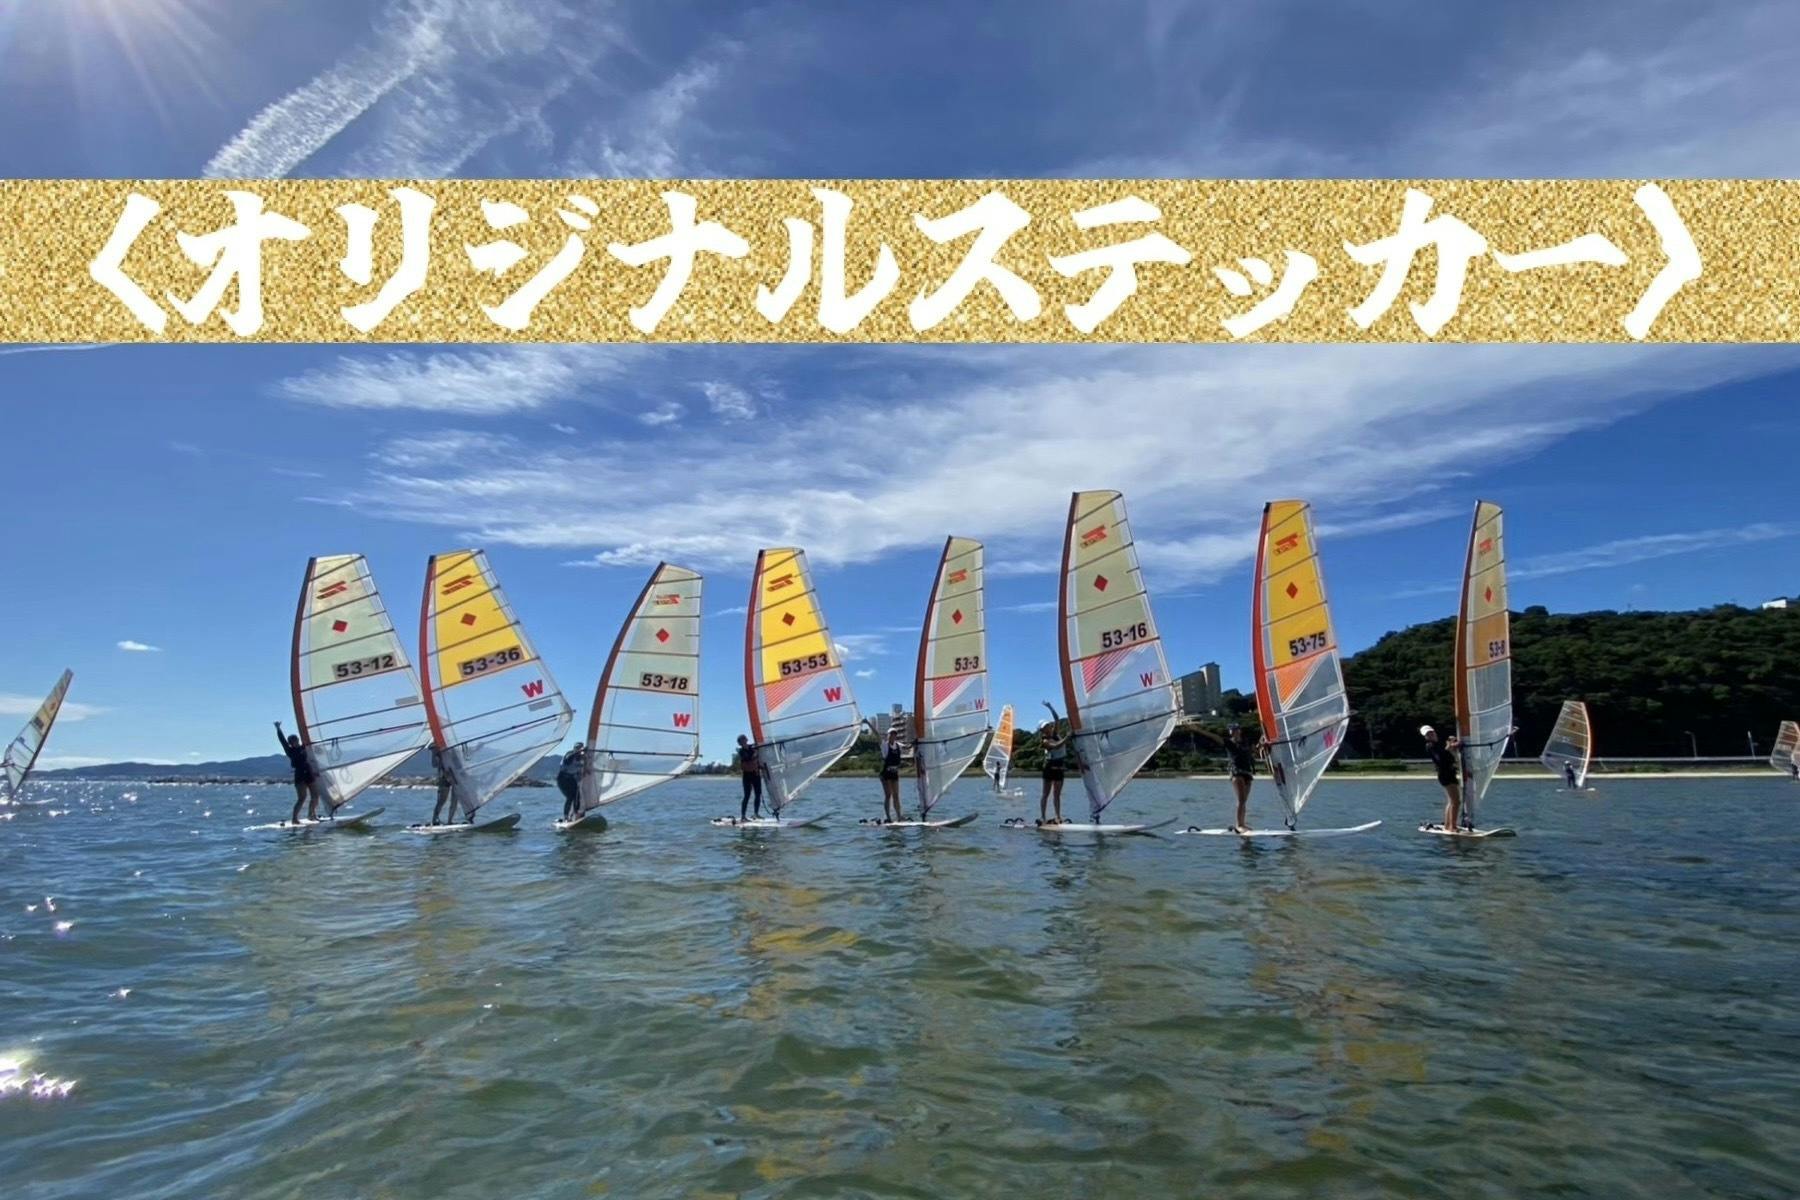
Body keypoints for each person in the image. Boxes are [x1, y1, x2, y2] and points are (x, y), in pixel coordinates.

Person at [1195, 724, 1261, 831]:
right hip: (1236, 772)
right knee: (1241, 800)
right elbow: (1213, 736)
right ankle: (1239, 825)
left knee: (1244, 801)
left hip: (1247, 773)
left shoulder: (1246, 743)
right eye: (1231, 730)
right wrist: (1198, 729)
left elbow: (1257, 751)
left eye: (1235, 729)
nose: (1232, 731)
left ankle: (1242, 824)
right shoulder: (1229, 743)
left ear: (1239, 731)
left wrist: (1262, 746)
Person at [275, 720, 322, 824]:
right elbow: (282, 741)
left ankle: (311, 815)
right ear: (291, 743)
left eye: (296, 740)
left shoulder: (303, 747)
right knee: (302, 798)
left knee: (315, 795)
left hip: (308, 773)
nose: (296, 742)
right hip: (300, 775)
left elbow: (310, 741)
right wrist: (278, 729)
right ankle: (294, 819)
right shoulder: (289, 751)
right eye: (294, 742)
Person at [1422, 725, 1462, 830]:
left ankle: (1448, 825)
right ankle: (1452, 827)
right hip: (1445, 774)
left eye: (1431, 732)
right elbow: (1441, 758)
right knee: (1456, 801)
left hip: (1449, 773)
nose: (1431, 735)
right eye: (1428, 734)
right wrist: (1450, 747)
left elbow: (1447, 750)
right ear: (1426, 737)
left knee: (1451, 801)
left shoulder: (1439, 743)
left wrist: (1451, 744)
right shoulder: (1430, 746)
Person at [1039, 708, 1070, 825]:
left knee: (1057, 794)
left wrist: (1050, 707)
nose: (1048, 727)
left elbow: (1057, 719)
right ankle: (1043, 817)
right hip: (1049, 767)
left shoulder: (1055, 734)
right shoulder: (1044, 741)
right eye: (1045, 726)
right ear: (1042, 730)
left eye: (1048, 725)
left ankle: (1058, 816)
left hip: (1059, 766)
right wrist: (1067, 737)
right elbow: (1056, 746)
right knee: (1045, 794)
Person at [877, 727, 905, 822]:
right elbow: (877, 735)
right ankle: (888, 817)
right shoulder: (884, 745)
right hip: (885, 774)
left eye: (894, 734)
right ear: (888, 735)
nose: (892, 736)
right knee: (888, 795)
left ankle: (899, 817)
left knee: (896, 795)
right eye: (891, 734)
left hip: (894, 773)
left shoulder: (898, 745)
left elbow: (908, 746)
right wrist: (868, 723)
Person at [736, 734, 763, 821]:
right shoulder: (741, 751)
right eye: (742, 740)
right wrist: (755, 753)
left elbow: (757, 754)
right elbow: (748, 759)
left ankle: (756, 814)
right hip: (747, 776)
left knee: (758, 794)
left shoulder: (752, 747)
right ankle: (743, 816)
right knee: (747, 796)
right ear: (740, 742)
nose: (745, 740)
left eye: (745, 738)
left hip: (756, 774)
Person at [557, 742, 586, 822]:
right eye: (577, 748)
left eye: (580, 748)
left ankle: (576, 814)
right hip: (563, 779)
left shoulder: (582, 758)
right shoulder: (569, 754)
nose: (579, 750)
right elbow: (567, 760)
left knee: (577, 796)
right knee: (570, 797)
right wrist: (579, 751)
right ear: (574, 749)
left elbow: (580, 772)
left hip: (571, 779)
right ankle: (566, 816)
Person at [429, 743, 457, 825]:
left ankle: (450, 820)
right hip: (444, 779)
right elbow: (434, 765)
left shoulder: (452, 752)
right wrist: (434, 752)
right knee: (442, 800)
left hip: (454, 778)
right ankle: (434, 820)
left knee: (454, 800)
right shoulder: (438, 755)